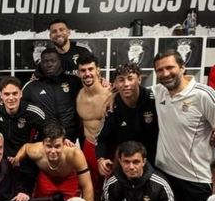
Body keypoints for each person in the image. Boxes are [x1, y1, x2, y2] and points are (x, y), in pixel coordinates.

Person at [152, 50, 215, 201]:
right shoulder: (159, 91)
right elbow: (131, 90)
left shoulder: (203, 94)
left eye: (170, 67)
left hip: (197, 179)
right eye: (160, 70)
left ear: (183, 67)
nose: (165, 73)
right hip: (166, 174)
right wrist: (110, 96)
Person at [13, 124, 94, 201]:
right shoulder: (36, 151)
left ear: (64, 144)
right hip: (47, 177)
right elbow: (26, 147)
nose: (53, 151)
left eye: (57, 146)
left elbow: (87, 186)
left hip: (69, 178)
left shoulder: (74, 154)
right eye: (49, 146)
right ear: (43, 144)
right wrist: (17, 158)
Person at [96, 63, 159, 177]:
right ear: (115, 83)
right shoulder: (112, 106)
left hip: (154, 162)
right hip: (126, 164)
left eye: (130, 78)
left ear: (139, 79)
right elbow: (102, 138)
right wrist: (101, 159)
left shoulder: (154, 99)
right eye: (121, 80)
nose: (126, 84)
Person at [0, 76, 46, 193]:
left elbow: (50, 131)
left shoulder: (33, 112)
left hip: (28, 164)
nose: (11, 98)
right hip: (3, 163)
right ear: (1, 95)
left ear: (21, 94)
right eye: (6, 94)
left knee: (24, 198)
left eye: (14, 93)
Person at [22, 48, 82, 142]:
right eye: (45, 62)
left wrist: (102, 82)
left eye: (53, 61)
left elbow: (92, 93)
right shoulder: (31, 87)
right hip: (45, 141)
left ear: (60, 62)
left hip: (71, 139)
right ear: (40, 64)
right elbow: (20, 110)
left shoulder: (74, 82)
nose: (49, 64)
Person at [75, 52, 112, 192]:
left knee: (111, 188)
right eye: (83, 70)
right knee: (91, 189)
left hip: (109, 147)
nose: (87, 74)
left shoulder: (110, 93)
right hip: (88, 146)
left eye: (90, 69)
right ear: (78, 73)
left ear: (98, 70)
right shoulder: (78, 96)